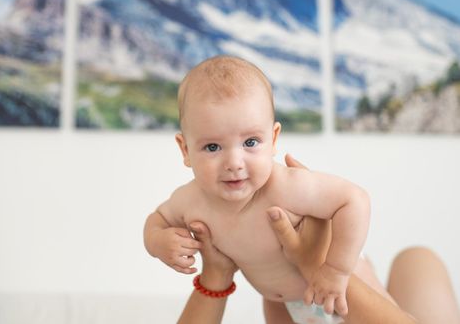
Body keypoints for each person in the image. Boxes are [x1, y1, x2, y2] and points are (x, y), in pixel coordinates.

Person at [143, 55, 379, 322]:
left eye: (251, 142)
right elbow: (157, 219)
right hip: (281, 304)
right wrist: (157, 242)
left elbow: (354, 200)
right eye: (212, 147)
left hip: (342, 287)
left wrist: (336, 270)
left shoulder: (287, 187)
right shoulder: (191, 200)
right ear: (185, 149)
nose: (234, 163)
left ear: (273, 138)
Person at [178, 154, 460, 324]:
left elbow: (353, 200)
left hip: (308, 290)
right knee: (417, 258)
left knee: (415, 258)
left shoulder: (277, 297)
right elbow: (355, 199)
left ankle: (362, 284)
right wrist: (316, 263)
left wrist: (216, 274)